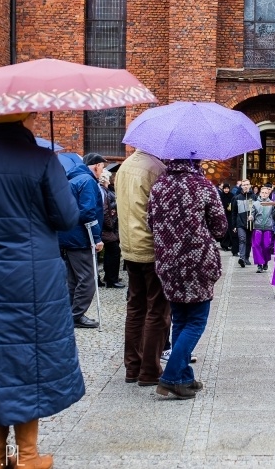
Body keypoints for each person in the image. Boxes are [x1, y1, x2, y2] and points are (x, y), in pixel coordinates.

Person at [0, 111, 84, 469]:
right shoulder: (43, 158)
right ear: (26, 117)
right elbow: (65, 218)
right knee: (34, 358)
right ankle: (28, 455)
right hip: (37, 273)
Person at [148, 159, 227, 399]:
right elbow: (220, 227)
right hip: (197, 261)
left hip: (168, 261)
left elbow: (150, 222)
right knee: (195, 321)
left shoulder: (158, 186)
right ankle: (171, 377)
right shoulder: (203, 185)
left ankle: (184, 376)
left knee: (180, 318)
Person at [115, 149, 171, 386]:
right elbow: (161, 212)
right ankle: (149, 369)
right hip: (150, 247)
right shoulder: (155, 168)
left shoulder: (124, 166)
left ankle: (132, 367)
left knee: (135, 308)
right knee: (157, 310)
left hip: (129, 245)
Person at [58, 153, 105, 328]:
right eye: (102, 167)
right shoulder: (88, 181)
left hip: (68, 235)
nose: (103, 171)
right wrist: (96, 238)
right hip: (80, 237)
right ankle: (76, 315)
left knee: (73, 279)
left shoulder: (73, 179)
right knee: (87, 278)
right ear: (96, 166)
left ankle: (69, 313)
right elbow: (88, 212)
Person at [99, 169, 123, 288]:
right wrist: (110, 225)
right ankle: (111, 280)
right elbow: (105, 211)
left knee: (111, 251)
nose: (110, 179)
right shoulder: (105, 192)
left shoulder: (107, 190)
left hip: (109, 227)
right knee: (114, 251)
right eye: (108, 177)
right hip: (108, 227)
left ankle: (110, 277)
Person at [231, 179, 255, 268]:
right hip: (240, 223)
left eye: (247, 184)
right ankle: (242, 257)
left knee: (249, 241)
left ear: (250, 185)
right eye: (244, 185)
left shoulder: (254, 197)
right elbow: (233, 213)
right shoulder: (237, 198)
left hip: (251, 223)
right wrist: (234, 225)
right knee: (242, 239)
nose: (245, 186)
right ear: (241, 186)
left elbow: (256, 210)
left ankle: (246, 257)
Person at [250, 183, 275, 273]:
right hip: (257, 227)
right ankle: (259, 264)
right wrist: (251, 217)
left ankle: (265, 261)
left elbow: (274, 215)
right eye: (263, 192)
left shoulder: (272, 204)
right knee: (256, 246)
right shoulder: (255, 204)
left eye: (266, 193)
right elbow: (252, 214)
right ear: (260, 193)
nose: (264, 194)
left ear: (269, 194)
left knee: (266, 246)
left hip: (268, 228)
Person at [218, 183, 235, 252]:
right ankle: (224, 245)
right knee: (224, 230)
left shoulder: (232, 195)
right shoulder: (220, 195)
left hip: (230, 215)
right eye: (225, 188)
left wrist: (231, 207)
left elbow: (234, 203)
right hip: (223, 215)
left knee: (230, 230)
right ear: (223, 189)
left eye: (227, 188)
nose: (226, 190)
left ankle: (230, 244)